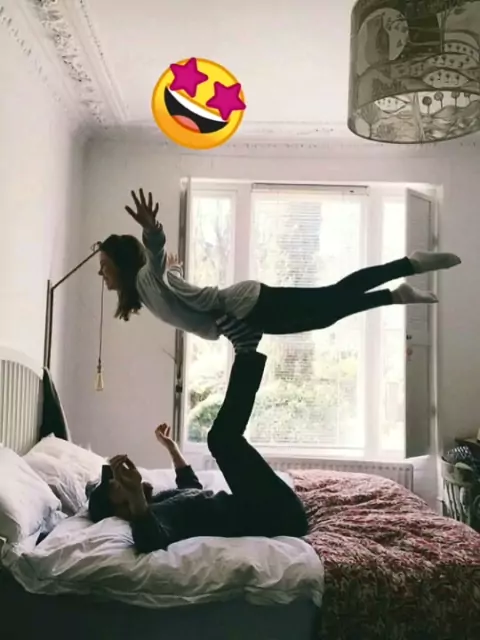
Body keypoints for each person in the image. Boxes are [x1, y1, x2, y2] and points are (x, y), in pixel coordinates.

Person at [98, 188, 461, 353]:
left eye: (103, 266)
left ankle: (410, 265)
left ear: (121, 261)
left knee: (333, 298)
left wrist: (152, 229)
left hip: (245, 303)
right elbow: (171, 280)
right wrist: (174, 270)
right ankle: (397, 294)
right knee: (326, 314)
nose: (102, 274)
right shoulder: (149, 288)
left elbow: (156, 254)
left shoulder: (145, 277)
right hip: (244, 313)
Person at [86, 351, 308, 553]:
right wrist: (135, 495)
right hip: (274, 516)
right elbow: (149, 540)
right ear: (119, 510)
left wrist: (171, 448)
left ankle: (247, 354)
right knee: (221, 439)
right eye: (118, 485)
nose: (125, 480)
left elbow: (191, 488)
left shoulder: (160, 501)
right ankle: (247, 352)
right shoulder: (154, 516)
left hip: (266, 507)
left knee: (221, 439)